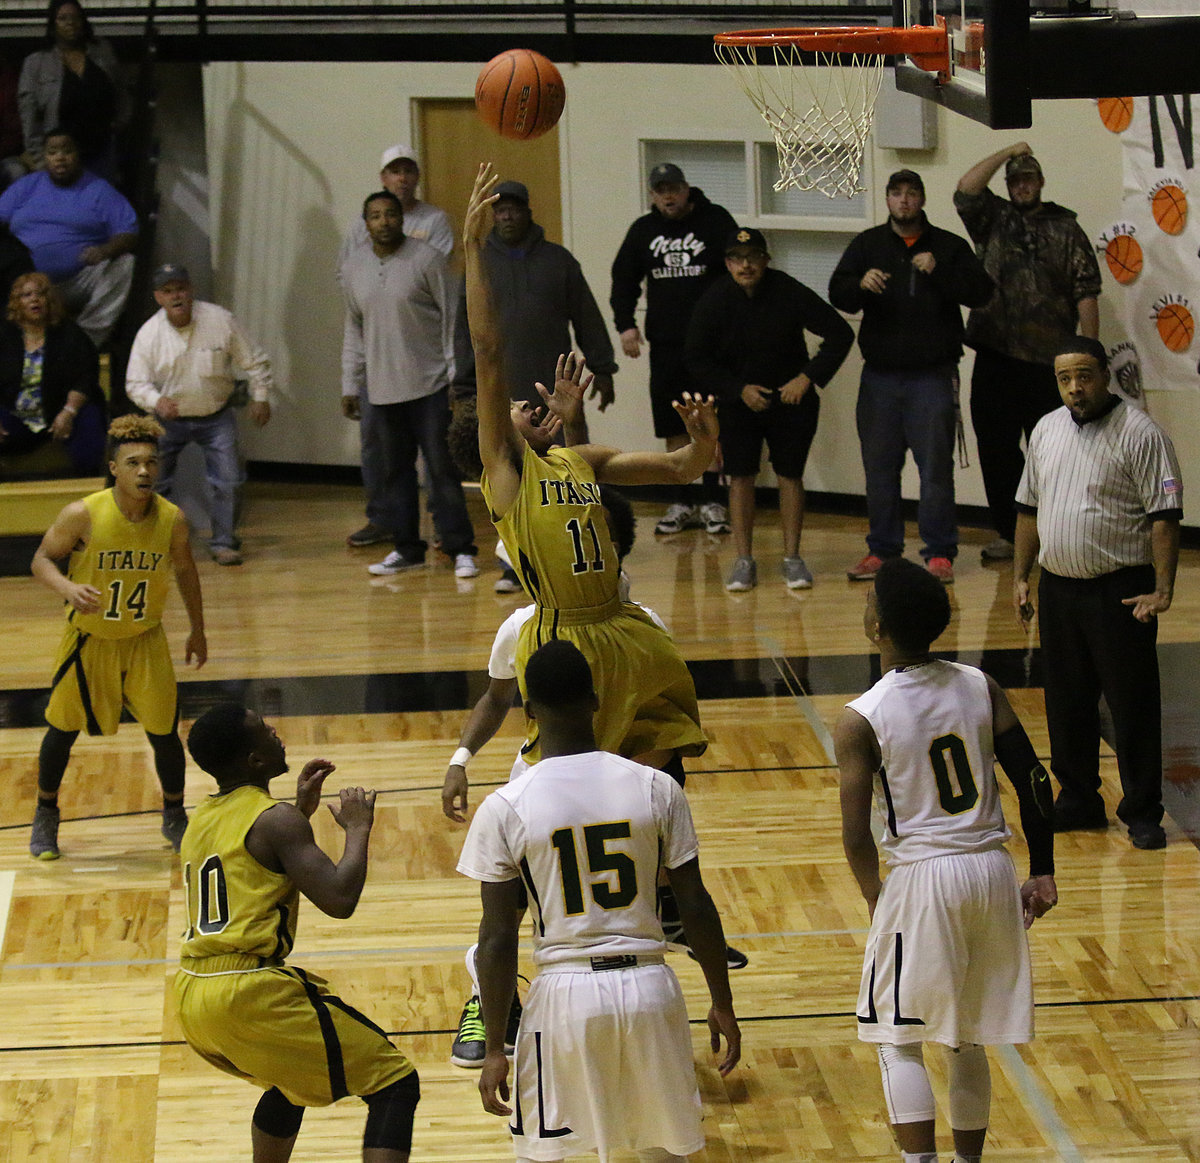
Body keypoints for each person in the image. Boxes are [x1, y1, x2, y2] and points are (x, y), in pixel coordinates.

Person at [460, 162, 711, 773]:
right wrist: (472, 246)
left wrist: (706, 440)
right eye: (520, 409)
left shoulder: (577, 460)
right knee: (570, 781)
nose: (528, 403)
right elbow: (489, 354)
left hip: (621, 629)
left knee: (661, 774)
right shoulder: (506, 480)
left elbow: (681, 469)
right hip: (562, 641)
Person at [457, 639, 741, 1162]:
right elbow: (696, 905)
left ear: (528, 711)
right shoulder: (657, 787)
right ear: (595, 700)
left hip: (564, 997)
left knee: (549, 1154)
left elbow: (496, 939)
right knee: (664, 1154)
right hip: (651, 990)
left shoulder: (505, 807)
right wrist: (722, 1001)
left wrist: (495, 1047)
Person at [836, 557, 1058, 1163]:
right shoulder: (979, 685)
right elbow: (1036, 781)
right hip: (990, 867)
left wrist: (874, 894)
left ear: (877, 626)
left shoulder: (861, 717)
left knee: (897, 1036)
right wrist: (1043, 868)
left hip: (924, 874)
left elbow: (855, 834)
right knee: (965, 1039)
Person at [176, 704, 420, 1163]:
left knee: (290, 1081)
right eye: (264, 730)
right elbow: (339, 899)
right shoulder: (275, 821)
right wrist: (358, 829)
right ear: (254, 760)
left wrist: (298, 811)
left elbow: (252, 856)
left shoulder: (202, 817)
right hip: (247, 990)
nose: (275, 732)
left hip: (193, 993)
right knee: (395, 1082)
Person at [1014, 337, 1182, 851]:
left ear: (1105, 375)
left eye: (1084, 376)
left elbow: (1164, 518)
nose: (1075, 388)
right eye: (1065, 379)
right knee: (1067, 700)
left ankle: (1142, 811)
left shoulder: (1141, 433)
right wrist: (1021, 576)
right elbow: (1028, 509)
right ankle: (1080, 799)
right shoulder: (1045, 429)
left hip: (1120, 592)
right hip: (1060, 589)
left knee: (1131, 704)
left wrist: (1163, 589)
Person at [28, 413, 206, 860]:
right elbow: (41, 560)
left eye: (151, 462)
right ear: (114, 468)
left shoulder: (172, 519)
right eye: (132, 463)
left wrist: (198, 630)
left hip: (146, 640)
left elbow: (186, 571)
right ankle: (45, 813)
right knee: (61, 730)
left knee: (164, 732)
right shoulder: (82, 514)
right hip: (90, 641)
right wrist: (68, 587)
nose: (144, 471)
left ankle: (174, 814)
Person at [830, 169, 993, 586]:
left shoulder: (947, 246)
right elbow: (837, 291)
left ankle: (939, 553)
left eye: (912, 193)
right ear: (887, 199)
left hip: (932, 377)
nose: (904, 201)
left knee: (935, 469)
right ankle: (882, 551)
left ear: (922, 199)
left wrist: (938, 271)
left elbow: (981, 293)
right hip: (880, 378)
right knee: (879, 468)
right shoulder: (869, 244)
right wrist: (860, 284)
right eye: (896, 193)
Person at [955, 143, 1102, 563]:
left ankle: (1055, 533)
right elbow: (966, 189)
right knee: (997, 451)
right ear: (1009, 185)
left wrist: (1088, 355)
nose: (1022, 186)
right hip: (996, 356)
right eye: (1015, 181)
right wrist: (1008, 151)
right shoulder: (994, 219)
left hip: (1049, 365)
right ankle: (1009, 532)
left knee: (1054, 452)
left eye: (1029, 179)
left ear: (1040, 182)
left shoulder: (1066, 228)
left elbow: (1086, 293)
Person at [685, 226, 852, 592]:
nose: (746, 266)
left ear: (765, 260)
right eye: (738, 259)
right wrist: (736, 389)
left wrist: (807, 378)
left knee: (790, 475)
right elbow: (696, 359)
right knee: (740, 475)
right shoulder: (714, 299)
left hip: (790, 401)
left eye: (753, 258)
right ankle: (744, 560)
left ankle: (793, 558)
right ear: (728, 263)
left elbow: (840, 333)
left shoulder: (788, 290)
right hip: (738, 404)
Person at [340, 188, 478, 580]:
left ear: (402, 219)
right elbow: (353, 328)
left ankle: (460, 547)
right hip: (381, 391)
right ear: (365, 223)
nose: (384, 221)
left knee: (441, 470)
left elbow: (453, 320)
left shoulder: (428, 260)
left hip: (431, 386)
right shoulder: (353, 268)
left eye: (390, 214)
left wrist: (456, 378)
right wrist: (350, 384)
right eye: (375, 216)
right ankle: (407, 548)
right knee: (394, 473)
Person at [610, 161, 737, 537]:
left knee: (711, 422)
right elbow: (623, 279)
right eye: (660, 190)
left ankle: (714, 501)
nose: (668, 195)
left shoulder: (716, 221)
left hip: (712, 343)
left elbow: (740, 267)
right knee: (674, 423)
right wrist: (626, 325)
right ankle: (681, 500)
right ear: (652, 194)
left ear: (686, 189)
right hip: (666, 344)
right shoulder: (643, 231)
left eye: (674, 188)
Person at [339, 143, 455, 551]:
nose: (402, 177)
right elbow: (353, 291)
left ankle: (445, 527)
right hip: (378, 369)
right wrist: (349, 382)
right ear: (383, 177)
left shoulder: (434, 223)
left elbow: (433, 280)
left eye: (408, 170)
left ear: (416, 177)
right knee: (381, 453)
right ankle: (385, 522)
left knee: (437, 458)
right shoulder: (360, 233)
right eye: (394, 171)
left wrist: (453, 371)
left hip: (424, 368)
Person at [124, 263, 273, 566]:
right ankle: (158, 544)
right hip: (168, 421)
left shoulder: (221, 320)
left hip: (216, 416)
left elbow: (255, 360)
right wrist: (155, 401)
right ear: (158, 297)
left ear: (190, 290)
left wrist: (261, 397)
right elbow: (134, 383)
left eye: (180, 288)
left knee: (229, 480)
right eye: (168, 291)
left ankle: (224, 542)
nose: (176, 296)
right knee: (153, 482)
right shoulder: (149, 334)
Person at [452, 178, 617, 418]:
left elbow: (587, 318)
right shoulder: (480, 266)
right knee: (505, 455)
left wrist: (603, 370)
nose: (507, 216)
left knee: (563, 454)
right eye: (500, 211)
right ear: (494, 216)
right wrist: (464, 389)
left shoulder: (559, 261)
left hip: (554, 390)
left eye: (513, 210)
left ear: (527, 213)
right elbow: (465, 330)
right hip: (498, 392)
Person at [0, 127, 136, 348]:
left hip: (75, 282)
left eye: (66, 151)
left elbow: (129, 233)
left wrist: (104, 251)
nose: (60, 158)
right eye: (53, 152)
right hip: (24, 282)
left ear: (77, 154)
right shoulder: (27, 186)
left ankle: (83, 342)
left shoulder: (99, 190)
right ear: (44, 157)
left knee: (125, 263)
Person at [0, 269, 104, 475]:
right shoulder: (4, 335)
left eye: (40, 294)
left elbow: (86, 377)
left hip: (61, 411)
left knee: (90, 419)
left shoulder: (70, 335)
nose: (35, 300)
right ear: (16, 302)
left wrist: (69, 411)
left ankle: (88, 482)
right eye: (27, 295)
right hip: (16, 413)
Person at [17, 0, 126, 180]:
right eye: (62, 18)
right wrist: (41, 160)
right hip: (60, 157)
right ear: (53, 25)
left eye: (75, 17)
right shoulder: (36, 63)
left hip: (100, 152)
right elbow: (28, 115)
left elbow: (121, 91)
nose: (70, 23)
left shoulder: (103, 52)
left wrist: (119, 123)